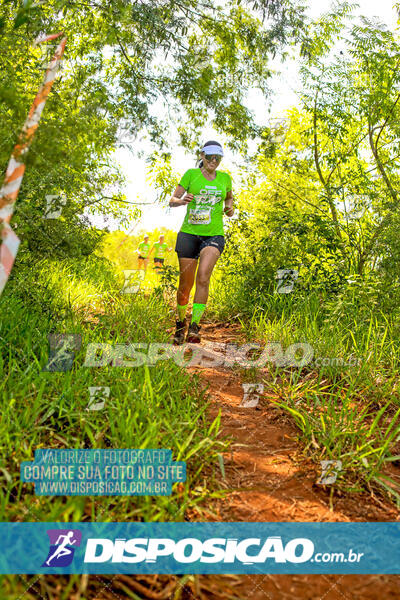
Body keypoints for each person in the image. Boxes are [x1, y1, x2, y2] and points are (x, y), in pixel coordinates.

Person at [169, 140, 234, 344]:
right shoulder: (190, 174)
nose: (213, 161)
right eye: (210, 157)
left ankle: (195, 328)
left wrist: (229, 208)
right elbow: (172, 200)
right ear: (202, 156)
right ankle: (180, 324)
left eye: (218, 158)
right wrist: (182, 201)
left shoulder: (225, 178)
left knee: (203, 277)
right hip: (189, 235)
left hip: (213, 235)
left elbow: (229, 198)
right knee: (185, 285)